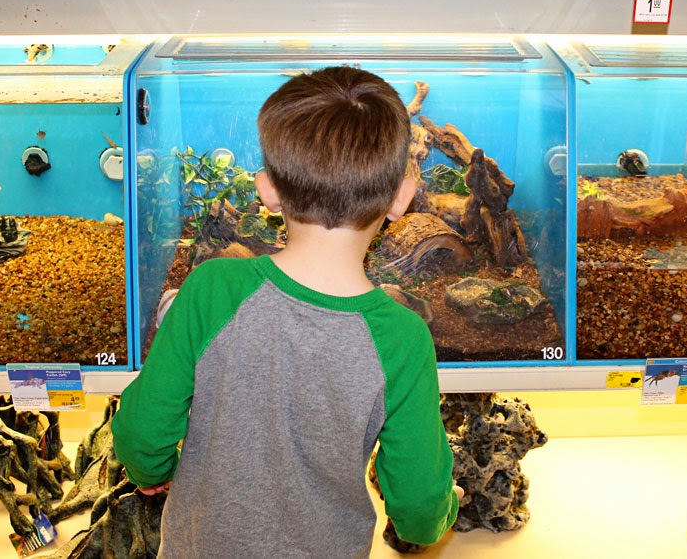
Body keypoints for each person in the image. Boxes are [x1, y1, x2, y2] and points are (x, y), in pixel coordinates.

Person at [112, 66, 461, 559]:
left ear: (267, 189)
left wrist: (153, 471)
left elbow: (142, 430)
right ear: (402, 198)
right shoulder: (403, 338)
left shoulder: (212, 289)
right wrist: (444, 510)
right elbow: (420, 503)